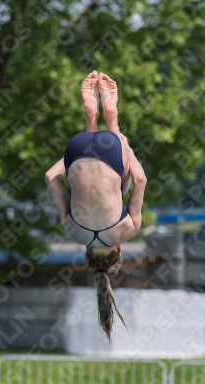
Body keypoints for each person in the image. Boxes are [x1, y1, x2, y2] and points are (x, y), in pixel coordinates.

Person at [45, 71, 147, 341]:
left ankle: (111, 115)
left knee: (123, 184)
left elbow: (140, 179)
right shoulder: (73, 232)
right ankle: (91, 116)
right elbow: (50, 179)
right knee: (103, 183)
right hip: (75, 149)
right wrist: (69, 163)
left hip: (112, 150)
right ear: (87, 252)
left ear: (118, 250)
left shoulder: (127, 231)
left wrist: (129, 152)